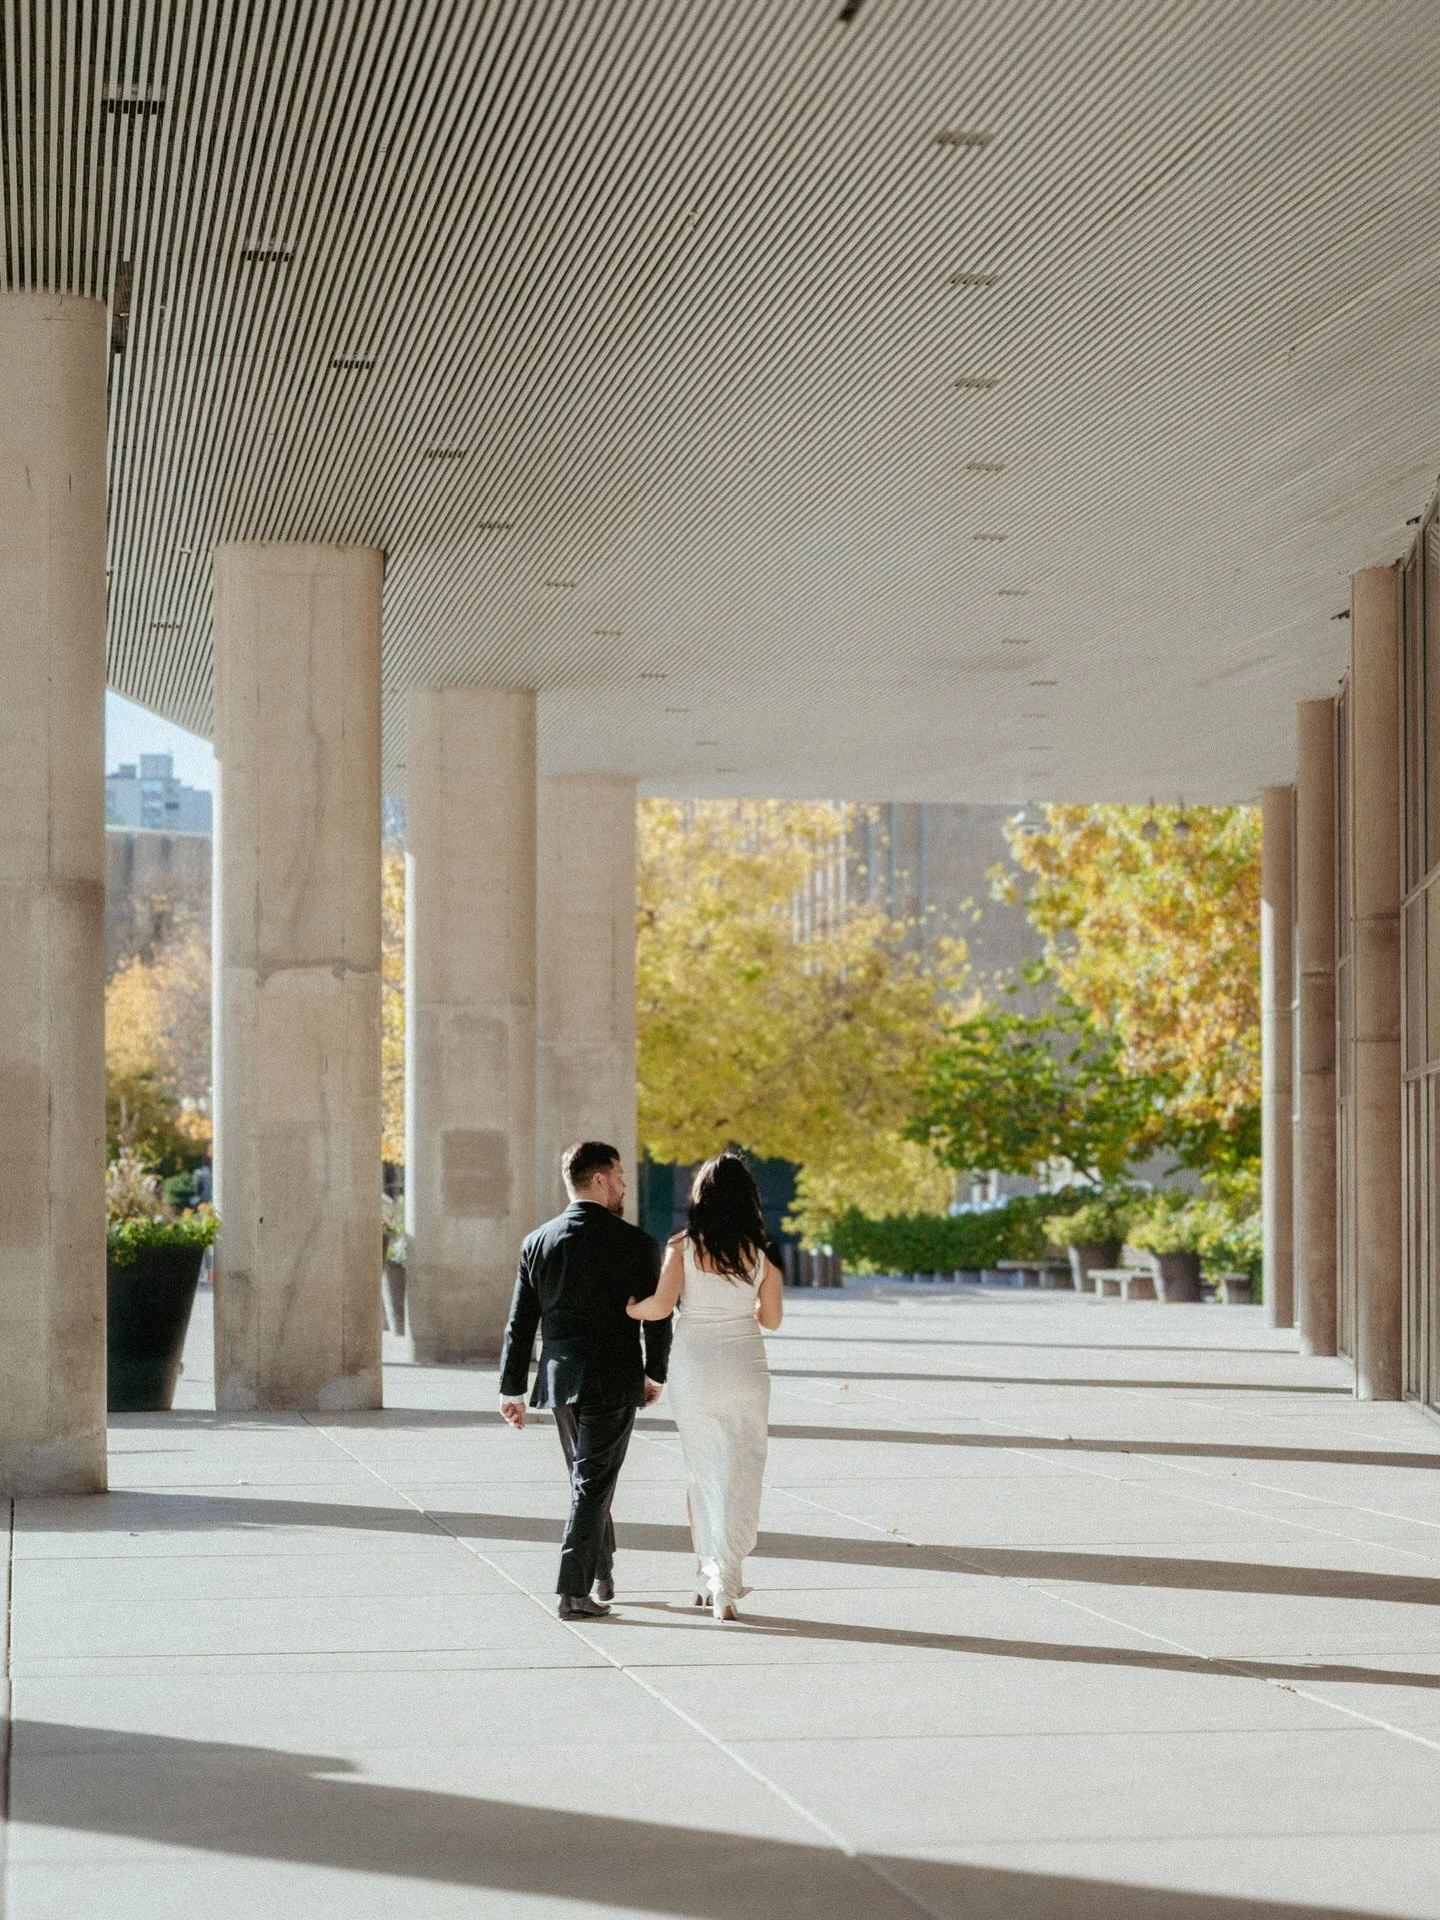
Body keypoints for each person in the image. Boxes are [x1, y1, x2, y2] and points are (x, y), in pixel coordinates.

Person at [498, 1142, 670, 1620]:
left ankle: (602, 1570)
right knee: (592, 1481)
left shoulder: (538, 1242)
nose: (622, 1186)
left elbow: (520, 1323)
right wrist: (654, 1373)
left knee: (588, 1479)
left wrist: (511, 1389)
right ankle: (573, 1592)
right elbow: (657, 1318)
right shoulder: (635, 1243)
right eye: (619, 1177)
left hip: (560, 1380)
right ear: (598, 1179)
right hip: (612, 1378)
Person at [627, 1153, 782, 1622]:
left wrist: (631, 1308)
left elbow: (660, 1307)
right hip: (745, 1367)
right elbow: (772, 1320)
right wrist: (740, 1306)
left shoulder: (683, 1247)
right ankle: (725, 1578)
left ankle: (708, 1576)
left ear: (702, 1197)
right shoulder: (761, 1254)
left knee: (703, 1471)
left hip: (695, 1367)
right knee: (742, 1469)